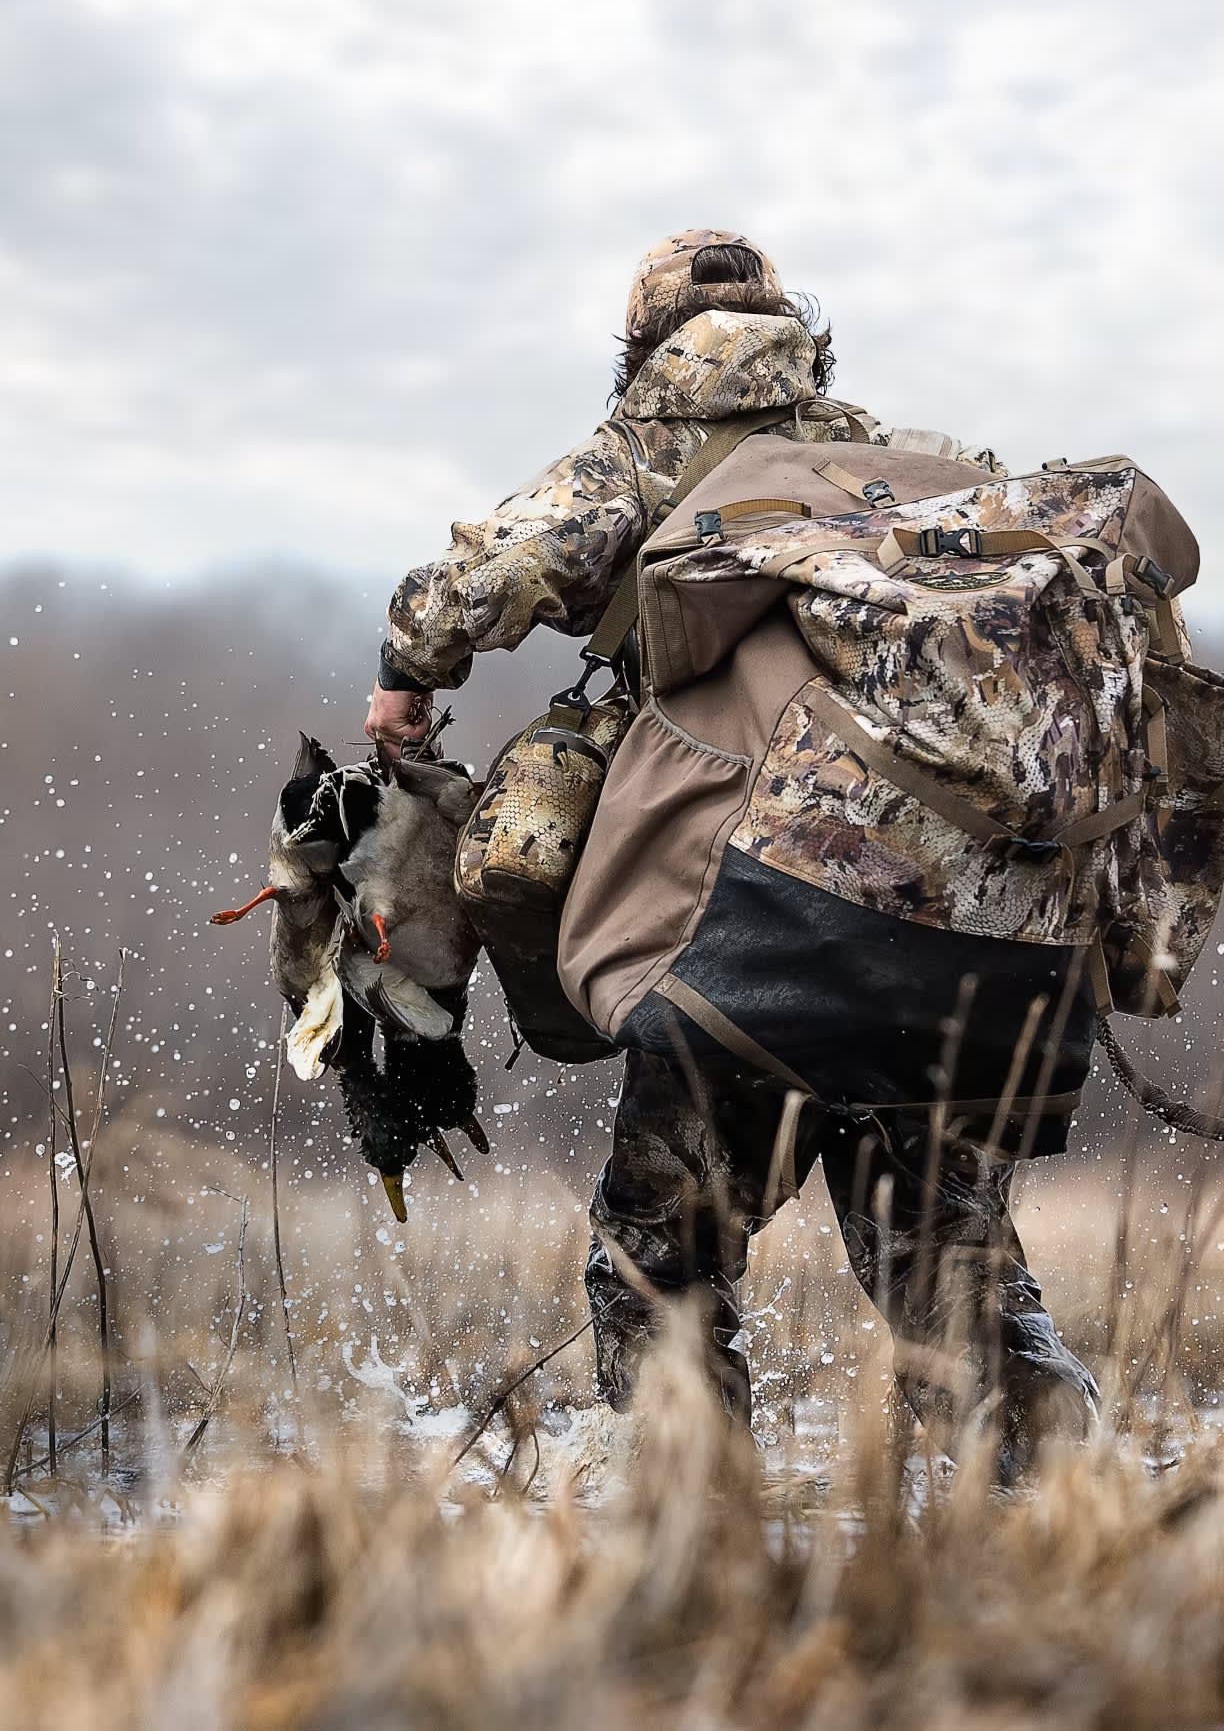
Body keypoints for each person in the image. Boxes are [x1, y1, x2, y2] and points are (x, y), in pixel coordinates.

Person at [365, 230, 1099, 1475]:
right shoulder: (914, 469)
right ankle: (1070, 1523)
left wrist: (402, 684)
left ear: (639, 347)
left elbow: (471, 585)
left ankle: (696, 1543)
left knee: (662, 1253)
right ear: (799, 336)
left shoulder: (641, 454)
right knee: (948, 1253)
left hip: (752, 922)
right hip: (951, 935)